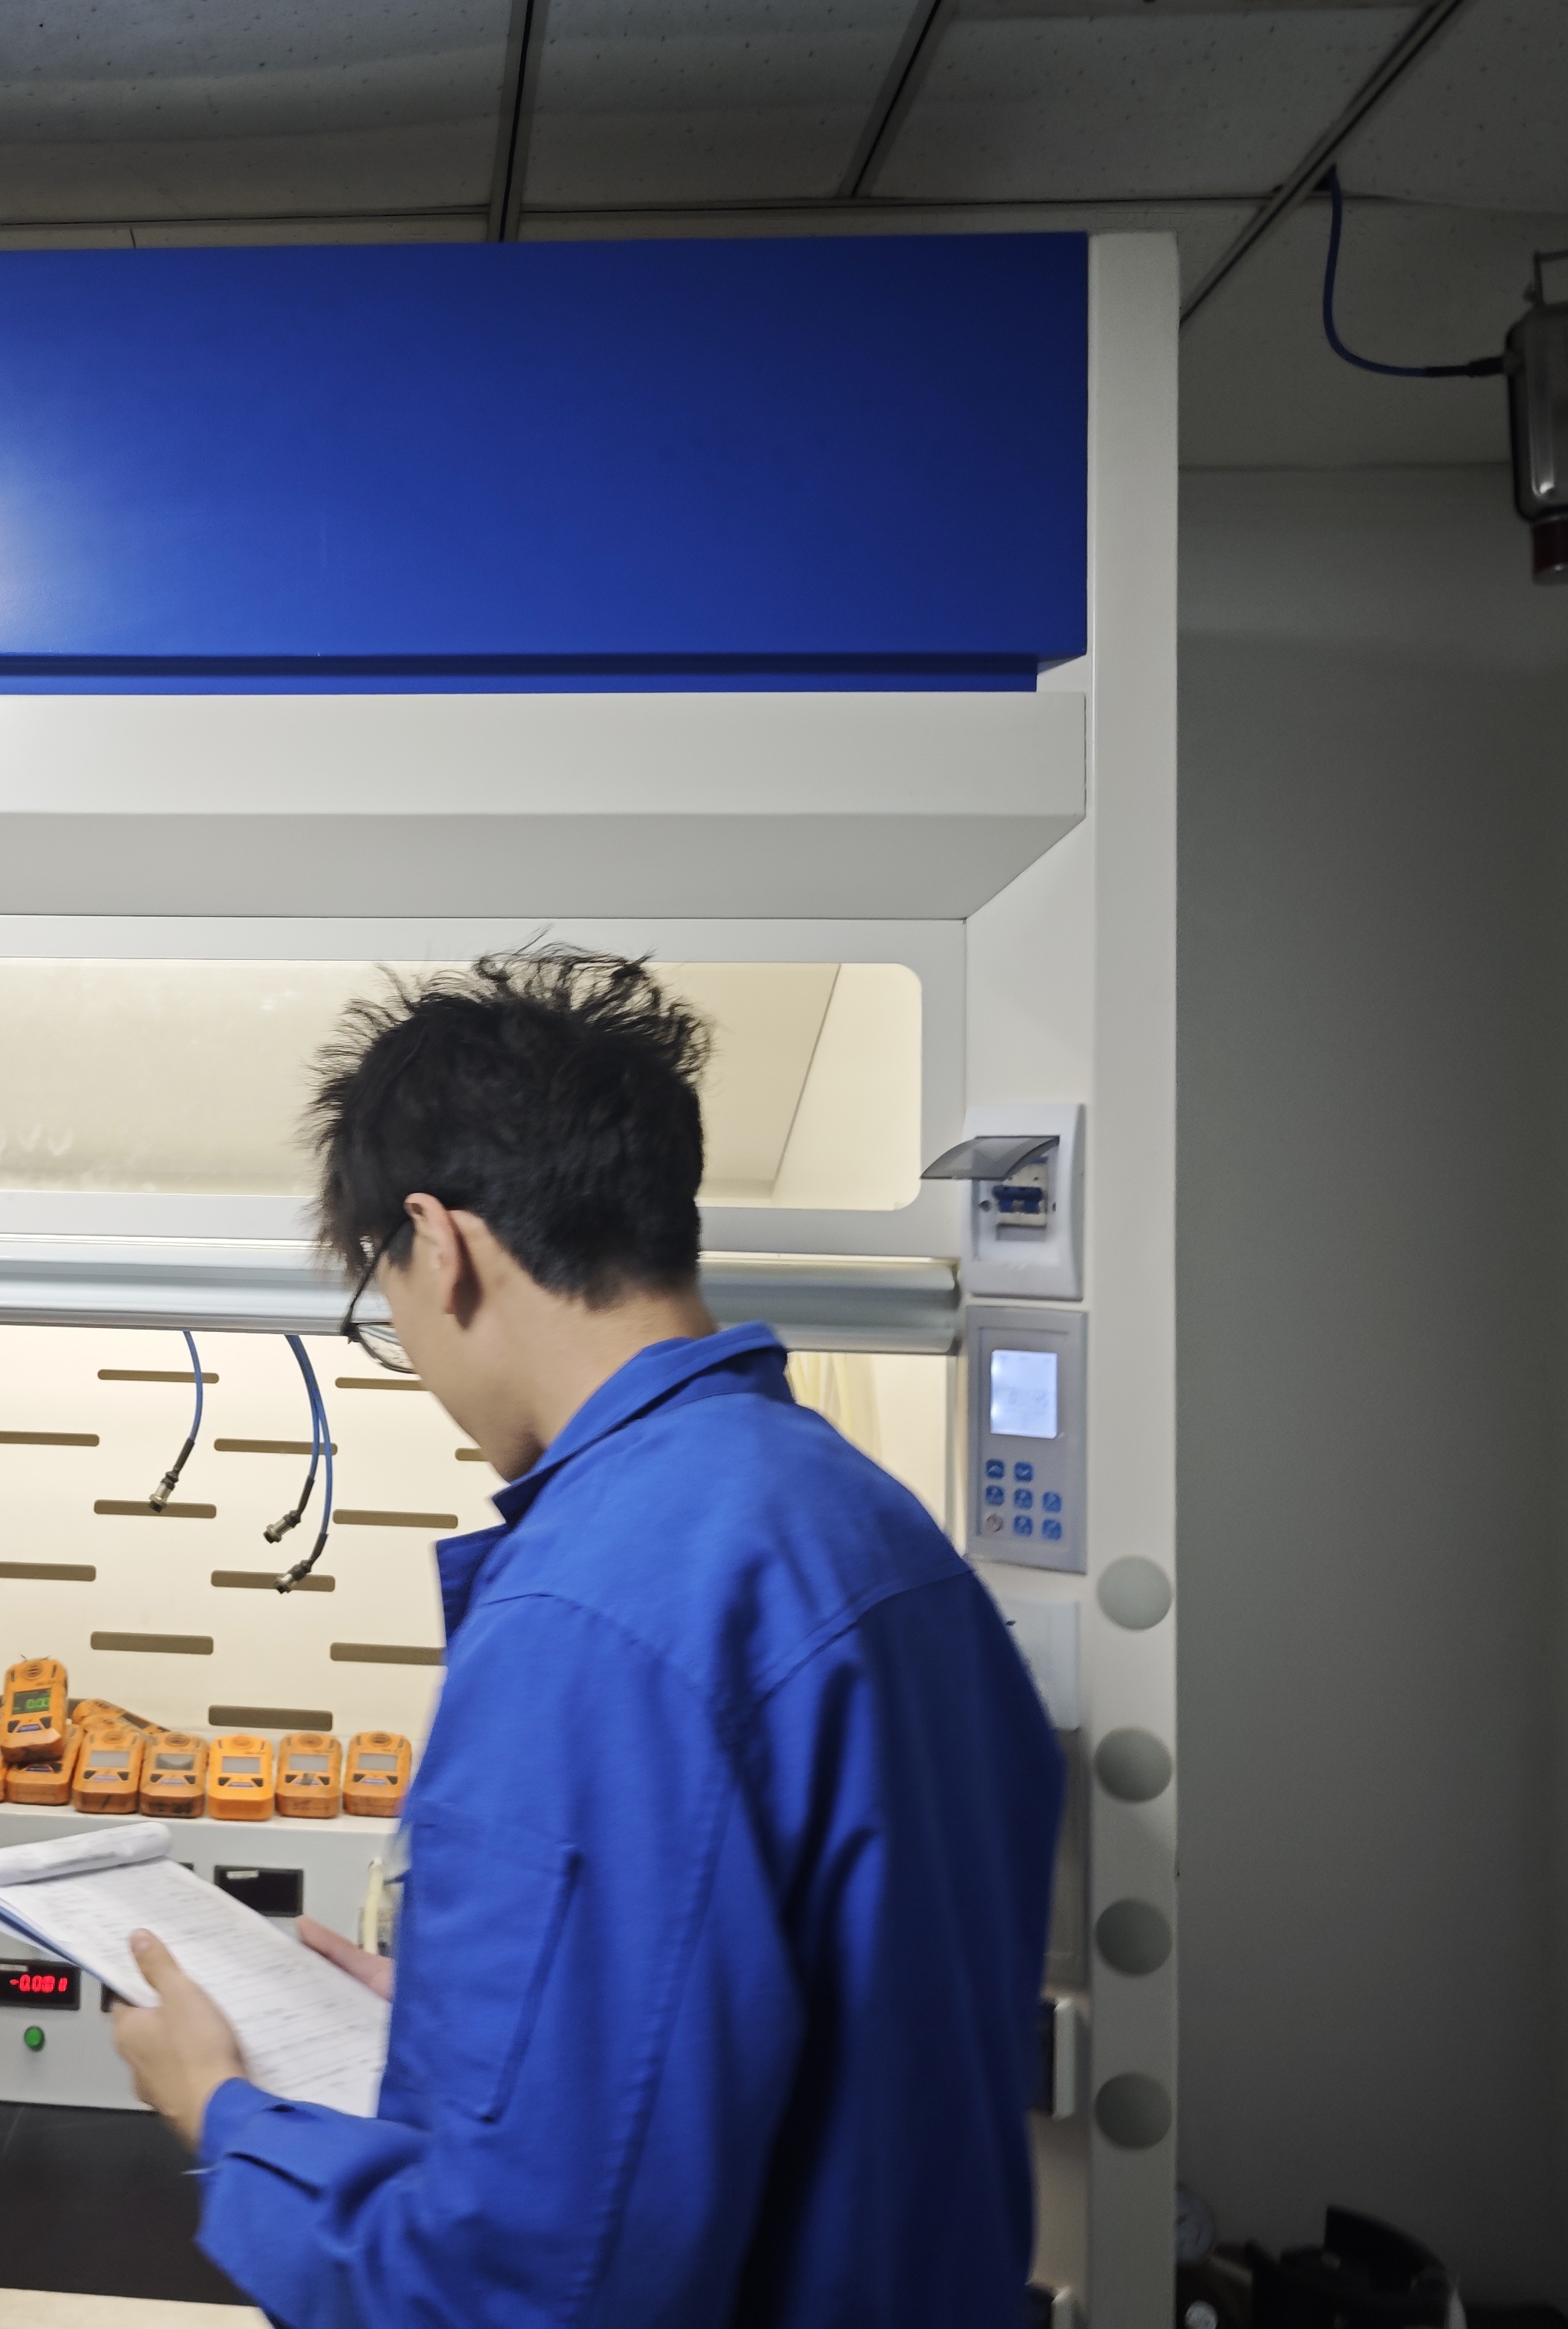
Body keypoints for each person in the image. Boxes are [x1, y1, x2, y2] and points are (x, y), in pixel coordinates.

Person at [110, 951, 1066, 2324]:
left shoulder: (585, 1615)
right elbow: (798, 2023)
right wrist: (471, 2025)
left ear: (440, 1246)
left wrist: (224, 2114)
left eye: (381, 1299)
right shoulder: (870, 1525)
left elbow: (515, 2287)